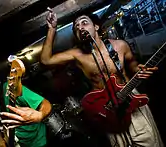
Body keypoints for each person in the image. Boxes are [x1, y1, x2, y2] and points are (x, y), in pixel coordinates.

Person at [40, 7, 164, 147]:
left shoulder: (119, 46)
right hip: (106, 111)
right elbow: (46, 60)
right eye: (76, 27)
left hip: (131, 100)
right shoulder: (77, 54)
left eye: (84, 23)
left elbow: (132, 63)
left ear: (96, 27)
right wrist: (52, 29)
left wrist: (139, 69)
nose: (80, 27)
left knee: (150, 142)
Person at [0, 62, 52, 147]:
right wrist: (2, 140)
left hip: (38, 142)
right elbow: (1, 123)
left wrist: (40, 115)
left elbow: (45, 103)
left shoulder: (12, 88)